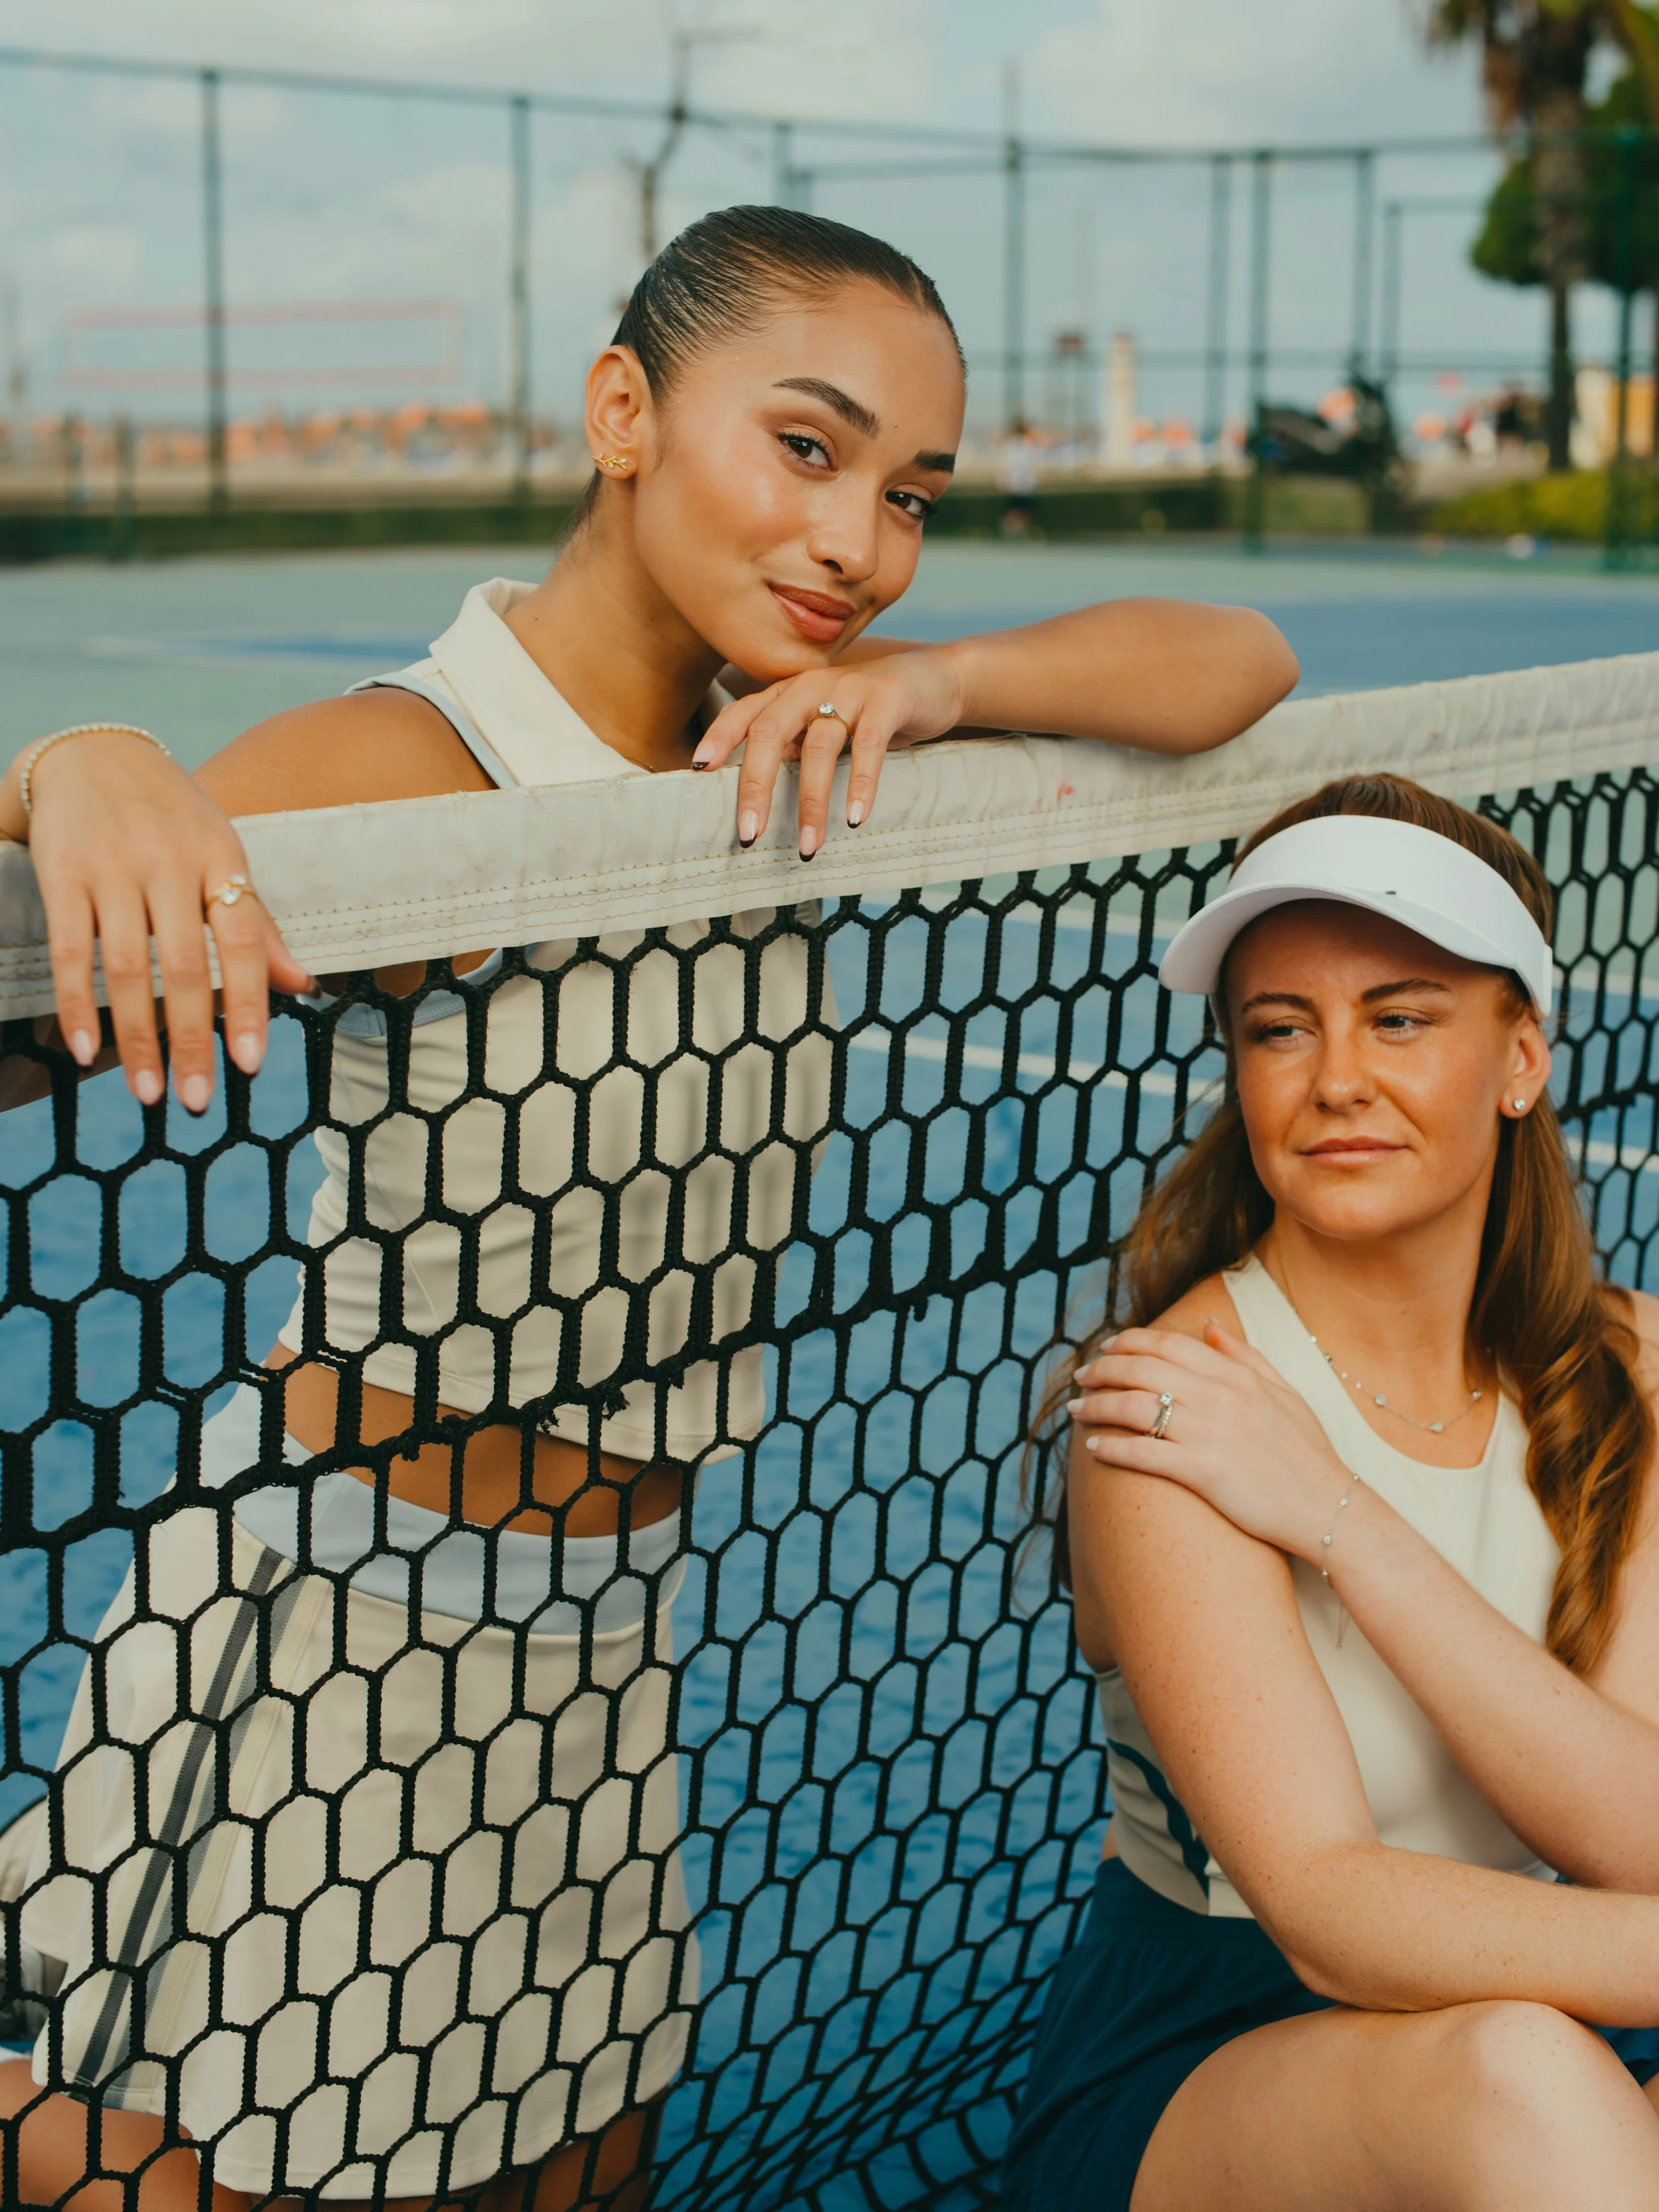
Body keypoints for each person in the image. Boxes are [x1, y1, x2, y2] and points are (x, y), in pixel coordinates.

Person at [0, 204, 1298, 2212]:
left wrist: (944, 689)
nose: (859, 539)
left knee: (580, 2176)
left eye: (911, 493)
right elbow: (49, 989)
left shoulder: (766, 751)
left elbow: (1237, 659)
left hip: (608, 1651)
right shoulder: (411, 764)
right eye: (806, 446)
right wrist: (65, 766)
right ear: (623, 411)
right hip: (330, 1654)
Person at [1003, 773, 1659, 2212]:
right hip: (1220, 2050)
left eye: (1400, 1016)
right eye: (1276, 1029)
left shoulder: (1631, 1364)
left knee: (1535, 2065)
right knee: (1525, 2086)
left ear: (1519, 1057)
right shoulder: (1167, 1403)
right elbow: (1323, 1910)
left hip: (1554, 1981)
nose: (1333, 1078)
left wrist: (1341, 1523)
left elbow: (1637, 1832)